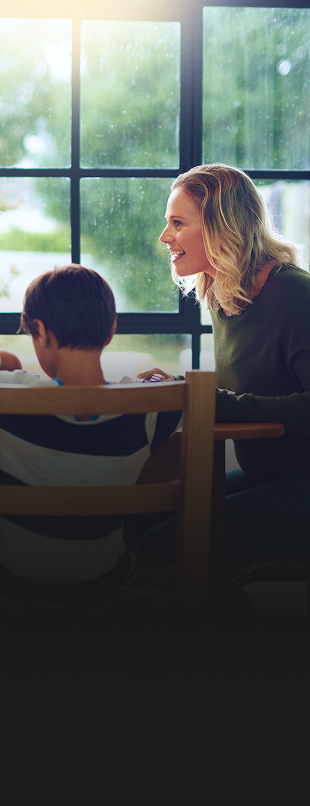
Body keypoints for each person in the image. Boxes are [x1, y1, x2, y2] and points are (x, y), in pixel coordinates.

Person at [0, 265, 183, 611]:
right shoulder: (148, 410)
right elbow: (175, 384)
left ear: (40, 331)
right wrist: (151, 383)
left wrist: (3, 357)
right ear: (111, 331)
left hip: (8, 585)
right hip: (106, 587)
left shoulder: (3, 396)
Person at [136, 163, 310, 571]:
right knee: (139, 518)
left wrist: (215, 402)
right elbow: (255, 385)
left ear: (221, 228)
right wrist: (183, 387)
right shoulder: (223, 294)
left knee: (162, 548)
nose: (165, 237)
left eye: (178, 223)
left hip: (302, 486)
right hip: (269, 477)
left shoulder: (292, 293)